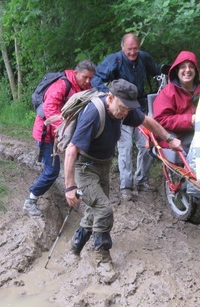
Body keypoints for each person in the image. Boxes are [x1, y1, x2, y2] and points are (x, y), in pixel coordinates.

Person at [63, 79, 182, 283]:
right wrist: (70, 187)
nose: (125, 113)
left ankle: (75, 247)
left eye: (128, 109)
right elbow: (71, 150)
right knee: (104, 209)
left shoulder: (123, 109)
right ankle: (101, 257)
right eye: (123, 108)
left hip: (103, 165)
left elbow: (146, 121)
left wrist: (169, 139)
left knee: (95, 211)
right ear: (110, 98)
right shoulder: (94, 114)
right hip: (84, 168)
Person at [91, 33, 161, 201]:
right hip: (120, 111)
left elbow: (158, 74)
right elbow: (95, 79)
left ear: (139, 47)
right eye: (129, 49)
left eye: (135, 49)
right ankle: (126, 186)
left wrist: (162, 91)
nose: (132, 53)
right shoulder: (115, 60)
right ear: (123, 47)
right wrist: (110, 95)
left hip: (139, 108)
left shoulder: (144, 58)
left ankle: (141, 180)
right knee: (125, 147)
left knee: (147, 146)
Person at [23, 60, 96, 217]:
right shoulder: (62, 85)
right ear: (76, 73)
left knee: (79, 164)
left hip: (64, 134)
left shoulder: (85, 87)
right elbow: (49, 108)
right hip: (47, 134)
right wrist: (66, 131)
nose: (88, 81)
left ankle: (77, 196)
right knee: (52, 171)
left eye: (91, 78)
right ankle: (30, 201)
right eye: (85, 77)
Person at [152, 50, 200, 153]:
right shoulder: (167, 93)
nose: (187, 70)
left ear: (196, 70)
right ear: (176, 70)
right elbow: (160, 120)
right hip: (175, 137)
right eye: (183, 67)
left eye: (191, 66)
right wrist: (190, 119)